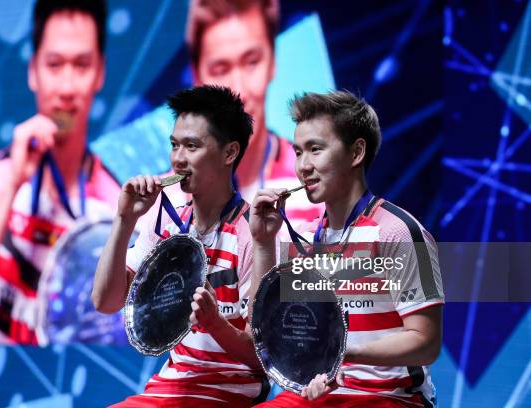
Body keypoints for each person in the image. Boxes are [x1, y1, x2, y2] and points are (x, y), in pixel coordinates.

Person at [0, 0, 119, 344]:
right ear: (33, 71)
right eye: (54, 65)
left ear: (100, 73)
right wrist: (12, 187)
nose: (66, 88)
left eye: (81, 65)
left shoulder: (114, 207)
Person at [249, 91, 444, 407]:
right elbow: (266, 332)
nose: (303, 166)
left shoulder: (401, 232)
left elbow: (427, 342)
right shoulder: (310, 237)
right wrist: (262, 243)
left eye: (316, 149)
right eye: (298, 152)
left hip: (391, 398)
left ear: (356, 152)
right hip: (323, 397)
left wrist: (342, 352)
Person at [93, 85, 267, 407]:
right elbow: (105, 301)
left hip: (227, 393)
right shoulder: (166, 222)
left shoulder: (253, 235)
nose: (178, 159)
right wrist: (124, 220)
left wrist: (215, 324)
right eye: (174, 145)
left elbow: (263, 357)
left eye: (191, 146)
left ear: (229, 153)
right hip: (170, 387)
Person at [161, 0, 322, 223]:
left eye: (252, 62)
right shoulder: (160, 204)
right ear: (196, 77)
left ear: (273, 61)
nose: (239, 91)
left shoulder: (319, 193)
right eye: (220, 70)